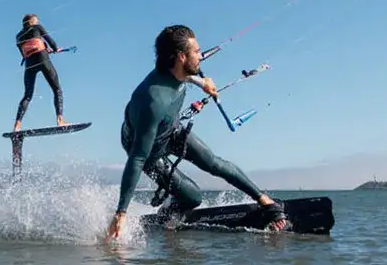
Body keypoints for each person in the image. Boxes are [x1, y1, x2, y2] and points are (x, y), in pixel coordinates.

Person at [106, 24, 288, 240]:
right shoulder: (153, 100)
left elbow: (184, 76)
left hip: (171, 130)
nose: (201, 56)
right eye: (196, 51)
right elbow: (137, 158)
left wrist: (201, 82)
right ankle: (170, 210)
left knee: (214, 162)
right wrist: (121, 213)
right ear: (182, 57)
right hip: (149, 150)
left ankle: (264, 200)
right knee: (193, 198)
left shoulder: (176, 70)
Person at [13, 13, 66, 132]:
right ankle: (60, 119)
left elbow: (24, 53)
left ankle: (17, 125)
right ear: (31, 22)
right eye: (36, 21)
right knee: (57, 89)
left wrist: (43, 49)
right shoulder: (38, 27)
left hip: (29, 63)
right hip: (43, 59)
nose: (37, 22)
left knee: (27, 95)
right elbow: (50, 41)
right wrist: (55, 48)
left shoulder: (18, 36)